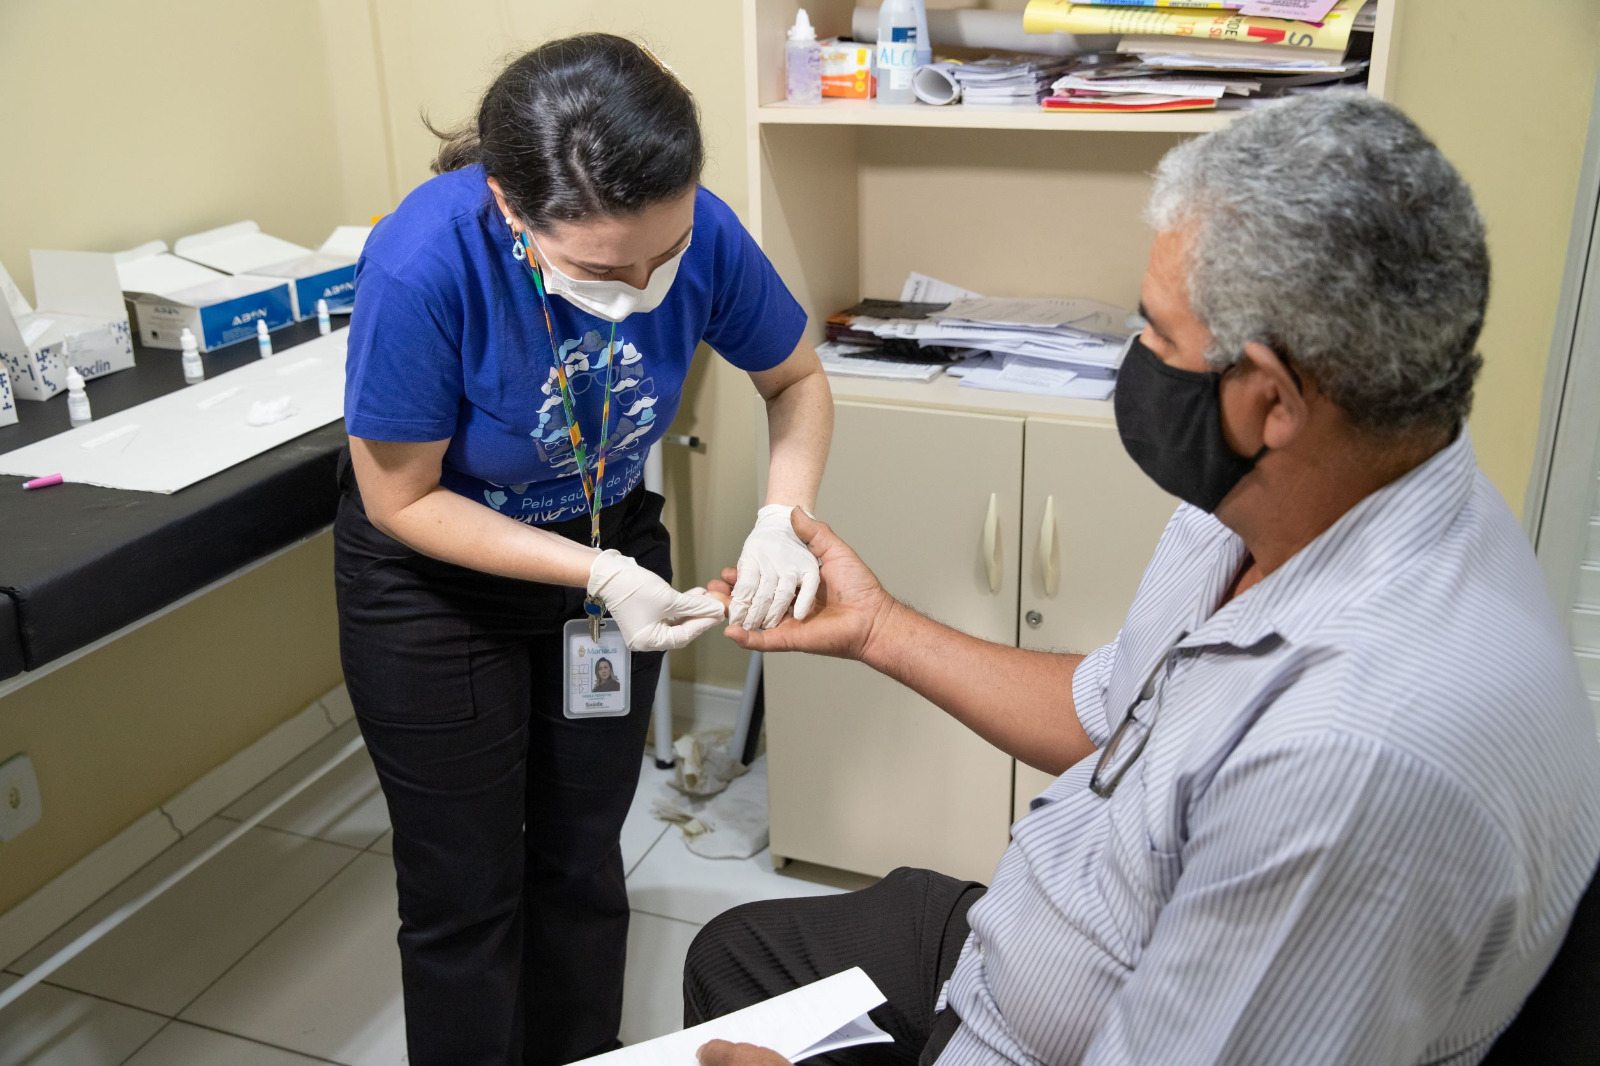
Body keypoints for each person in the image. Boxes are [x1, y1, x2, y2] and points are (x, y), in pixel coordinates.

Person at [683, 93, 1600, 1066]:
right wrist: (878, 627)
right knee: (736, 959)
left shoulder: (1350, 766)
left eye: (1156, 334)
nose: (1134, 359)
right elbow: (1117, 709)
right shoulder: (1283, 502)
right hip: (1035, 942)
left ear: (1272, 399)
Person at [336, 34, 832, 1066]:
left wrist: (781, 516)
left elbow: (794, 380)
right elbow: (400, 497)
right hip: (439, 585)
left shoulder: (703, 234)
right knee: (464, 893)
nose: (648, 281)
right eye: (606, 268)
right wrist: (597, 573)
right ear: (515, 213)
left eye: (666, 251)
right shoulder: (427, 259)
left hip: (604, 557)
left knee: (579, 863)